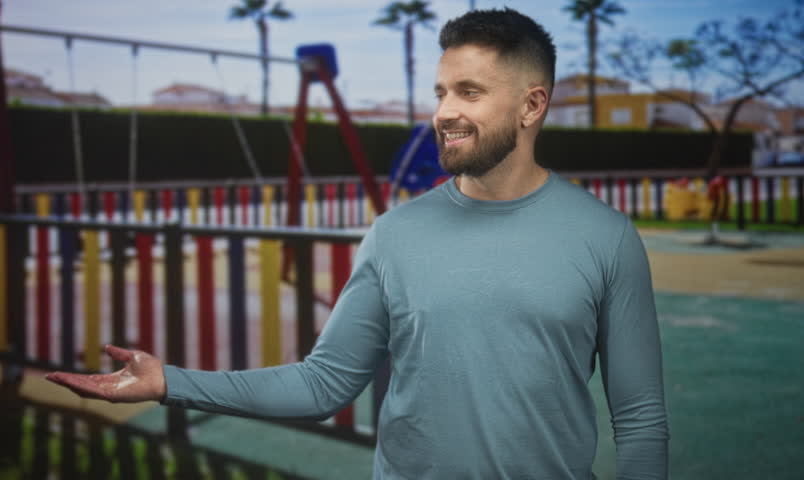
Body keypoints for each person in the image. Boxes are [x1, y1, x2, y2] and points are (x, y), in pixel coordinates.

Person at [47, 8, 669, 479]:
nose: (445, 112)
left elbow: (640, 419)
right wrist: (169, 382)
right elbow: (323, 384)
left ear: (533, 104)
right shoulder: (396, 234)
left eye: (470, 93)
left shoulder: (604, 237)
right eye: (441, 91)